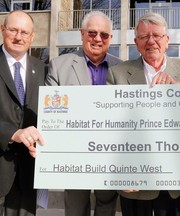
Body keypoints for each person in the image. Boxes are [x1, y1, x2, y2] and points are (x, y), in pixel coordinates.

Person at [106, 12, 180, 216]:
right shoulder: (118, 74)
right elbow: (110, 129)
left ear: (167, 40)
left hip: (179, 183)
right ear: (136, 43)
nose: (151, 41)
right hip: (135, 184)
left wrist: (179, 89)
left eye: (157, 35)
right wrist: (120, 171)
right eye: (143, 37)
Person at [45, 11, 122, 216]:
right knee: (76, 208)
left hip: (109, 154)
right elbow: (51, 115)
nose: (98, 39)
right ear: (82, 33)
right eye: (92, 33)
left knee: (107, 206)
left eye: (104, 35)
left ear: (110, 39)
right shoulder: (59, 66)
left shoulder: (122, 68)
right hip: (75, 155)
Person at [0, 10, 46, 216]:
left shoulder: (43, 69)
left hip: (30, 171)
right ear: (2, 30)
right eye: (13, 30)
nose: (19, 37)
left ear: (32, 36)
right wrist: (12, 133)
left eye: (25, 32)